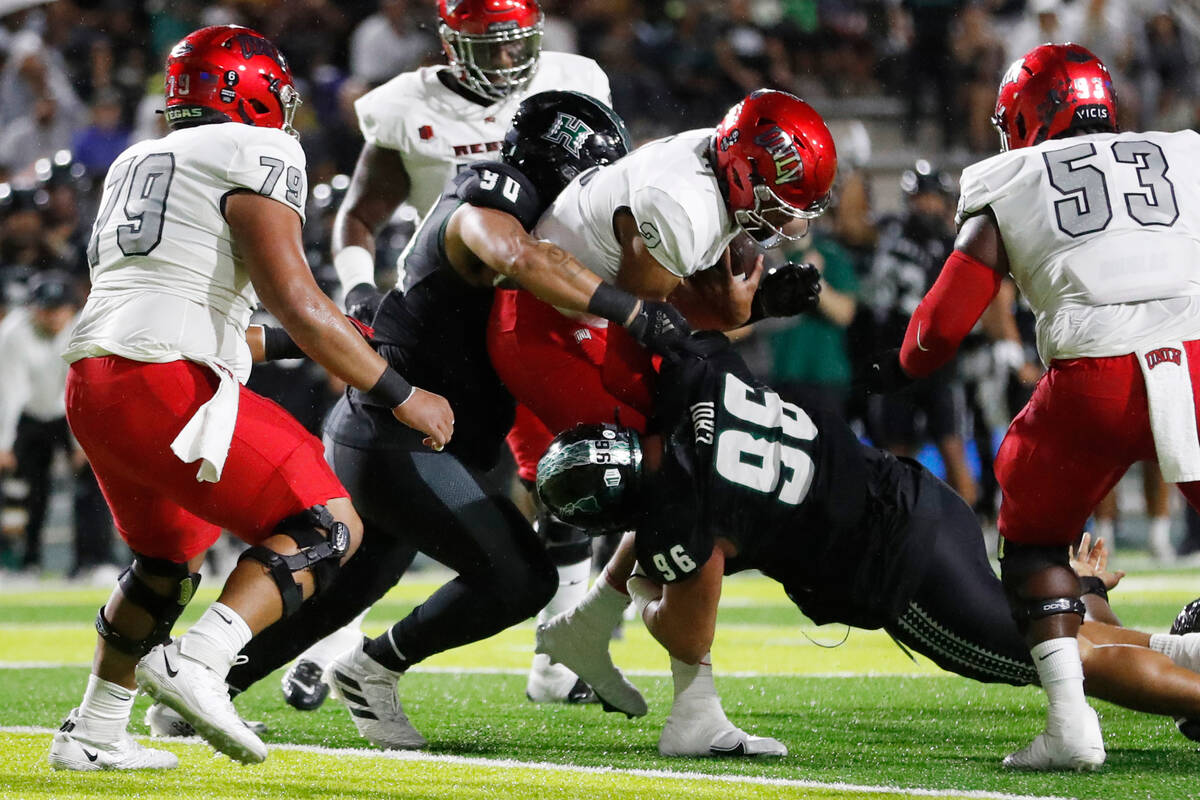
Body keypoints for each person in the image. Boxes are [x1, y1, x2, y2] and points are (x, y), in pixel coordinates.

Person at [144, 91, 689, 749]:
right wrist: (629, 310)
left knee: (344, 591)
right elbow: (514, 255)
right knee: (522, 577)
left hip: (415, 435)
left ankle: (199, 689)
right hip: (400, 435)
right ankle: (373, 669)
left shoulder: (539, 224)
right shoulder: (496, 195)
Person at [46, 25, 453, 771]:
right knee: (327, 523)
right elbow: (294, 299)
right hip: (162, 379)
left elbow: (214, 317)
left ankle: (96, 732)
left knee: (162, 563)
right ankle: (200, 659)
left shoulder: (140, 157)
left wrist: (342, 338)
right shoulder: (257, 149)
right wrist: (400, 393)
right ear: (250, 92)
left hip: (98, 382)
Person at [535, 334, 1200, 759]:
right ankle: (1177, 648)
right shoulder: (699, 377)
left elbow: (687, 631)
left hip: (902, 570)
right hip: (916, 495)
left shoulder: (680, 521)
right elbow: (706, 342)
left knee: (1066, 657)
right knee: (1064, 625)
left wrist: (649, 594)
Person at [864, 43, 1200, 769]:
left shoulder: (1012, 177)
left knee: (1033, 541)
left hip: (1095, 376)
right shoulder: (1183, 152)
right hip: (1199, 360)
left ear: (1027, 112)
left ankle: (1070, 728)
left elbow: (938, 329)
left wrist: (897, 366)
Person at [286, 0, 614, 708]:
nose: (504, 61)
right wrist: (357, 287)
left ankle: (559, 658)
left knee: (577, 468)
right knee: (397, 489)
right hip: (450, 327)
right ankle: (333, 641)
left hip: (544, 312)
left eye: (513, 45)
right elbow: (363, 211)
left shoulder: (573, 78)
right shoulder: (404, 105)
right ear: (449, 44)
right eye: (486, 47)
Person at [487, 88, 835, 710]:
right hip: (543, 323)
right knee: (684, 466)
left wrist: (753, 306)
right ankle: (683, 694)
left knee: (697, 461)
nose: (790, 225)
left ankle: (589, 629)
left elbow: (663, 319)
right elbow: (636, 350)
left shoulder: (715, 173)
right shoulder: (681, 204)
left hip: (592, 317)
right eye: (781, 205)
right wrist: (740, 315)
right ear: (741, 173)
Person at [861, 160, 976, 507]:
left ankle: (968, 529)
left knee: (952, 446)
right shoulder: (889, 231)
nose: (925, 204)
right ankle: (892, 527)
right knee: (894, 451)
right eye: (919, 197)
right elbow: (854, 226)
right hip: (896, 356)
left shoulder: (957, 242)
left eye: (931, 197)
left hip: (940, 360)